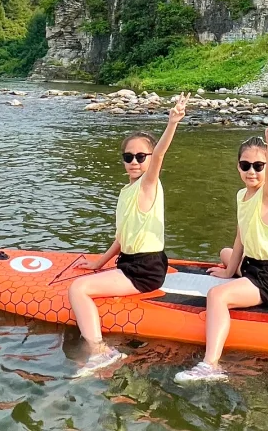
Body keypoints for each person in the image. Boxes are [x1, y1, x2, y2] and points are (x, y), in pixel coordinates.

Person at [69, 93, 189, 373]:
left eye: (140, 156)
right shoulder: (127, 191)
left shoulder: (148, 185)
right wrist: (98, 263)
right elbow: (122, 238)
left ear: (149, 159)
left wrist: (173, 122)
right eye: (128, 156)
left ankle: (99, 351)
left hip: (146, 268)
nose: (135, 161)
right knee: (87, 281)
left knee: (78, 289)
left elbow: (159, 154)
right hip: (130, 263)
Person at [175, 108, 268, 384]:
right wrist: (228, 271)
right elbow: (240, 236)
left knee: (217, 297)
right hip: (249, 264)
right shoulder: (241, 196)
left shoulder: (267, 196)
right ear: (238, 167)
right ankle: (233, 274)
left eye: (257, 166)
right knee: (225, 253)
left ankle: (210, 364)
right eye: (246, 165)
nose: (252, 171)